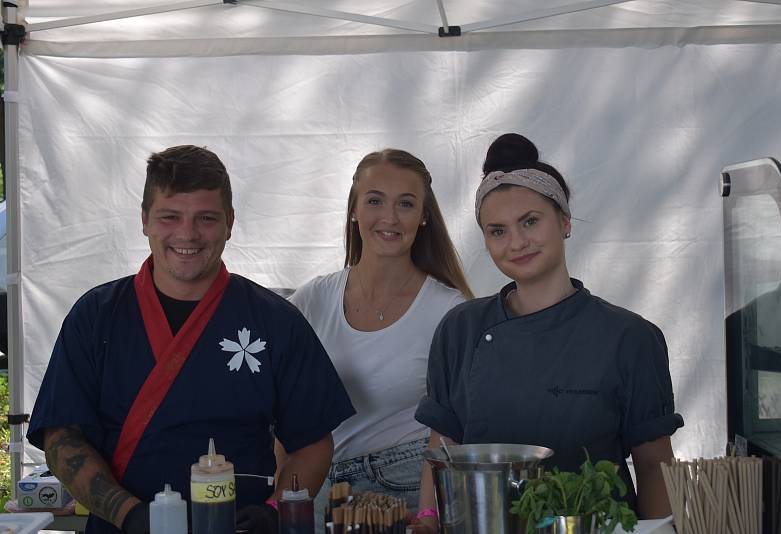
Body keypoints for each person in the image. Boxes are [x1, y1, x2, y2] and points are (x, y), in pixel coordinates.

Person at [26, 145, 355, 534]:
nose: (187, 234)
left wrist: (276, 508)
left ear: (230, 222)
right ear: (145, 219)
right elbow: (62, 437)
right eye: (170, 217)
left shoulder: (275, 320)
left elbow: (312, 442)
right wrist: (128, 514)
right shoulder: (96, 316)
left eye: (206, 218)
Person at [413, 133, 683, 531]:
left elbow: (654, 466)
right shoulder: (461, 328)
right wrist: (427, 519)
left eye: (530, 221)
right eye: (497, 230)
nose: (517, 242)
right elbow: (442, 448)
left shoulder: (629, 337)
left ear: (565, 221)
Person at [285, 149, 473, 519]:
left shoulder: (449, 311)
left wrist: (428, 517)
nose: (389, 217)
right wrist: (277, 501)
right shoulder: (310, 300)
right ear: (354, 208)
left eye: (406, 203)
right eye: (375, 200)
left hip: (404, 490)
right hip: (316, 490)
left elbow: (452, 430)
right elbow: (278, 412)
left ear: (423, 217)